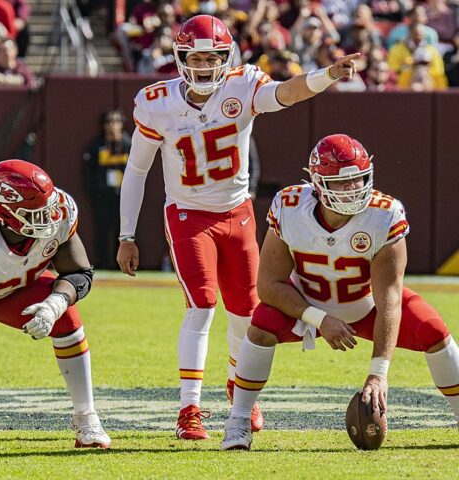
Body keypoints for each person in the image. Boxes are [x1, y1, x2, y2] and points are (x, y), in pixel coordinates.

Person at [117, 14, 360, 441]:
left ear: (226, 58)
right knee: (202, 306)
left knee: (246, 311)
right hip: (189, 215)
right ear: (180, 59)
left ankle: (238, 388)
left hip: (238, 213)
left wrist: (326, 75)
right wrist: (127, 235)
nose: (207, 66)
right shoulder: (157, 102)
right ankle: (189, 408)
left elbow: (287, 92)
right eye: (197, 58)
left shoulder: (241, 85)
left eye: (214, 57)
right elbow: (137, 170)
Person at [221, 134, 459, 450]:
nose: (353, 188)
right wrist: (319, 319)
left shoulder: (384, 214)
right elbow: (268, 287)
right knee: (262, 324)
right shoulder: (290, 208)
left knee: (434, 332)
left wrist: (378, 374)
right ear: (318, 183)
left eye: (359, 179)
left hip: (366, 304)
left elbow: (389, 298)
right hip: (306, 303)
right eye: (342, 182)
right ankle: (238, 420)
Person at [0, 113, 111, 448]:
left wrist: (54, 304)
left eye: (47, 208)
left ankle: (87, 419)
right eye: (34, 213)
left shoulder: (59, 213)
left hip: (15, 293)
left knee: (68, 317)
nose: (47, 219)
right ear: (4, 213)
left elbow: (79, 272)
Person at [84, 109, 131, 269]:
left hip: (123, 197)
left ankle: (121, 264)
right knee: (102, 229)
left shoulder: (128, 144)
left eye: (116, 121)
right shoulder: (96, 146)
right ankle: (103, 263)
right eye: (109, 121)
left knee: (122, 231)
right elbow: (89, 172)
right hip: (102, 196)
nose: (112, 125)